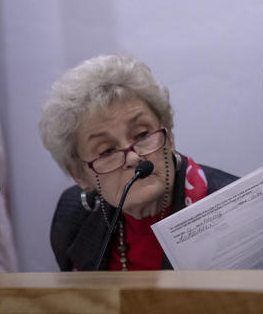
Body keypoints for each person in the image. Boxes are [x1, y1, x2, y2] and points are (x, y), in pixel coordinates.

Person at [39, 54, 237, 271]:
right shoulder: (74, 217)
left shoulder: (236, 209)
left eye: (142, 134)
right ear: (79, 174)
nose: (133, 157)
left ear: (169, 136)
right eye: (107, 150)